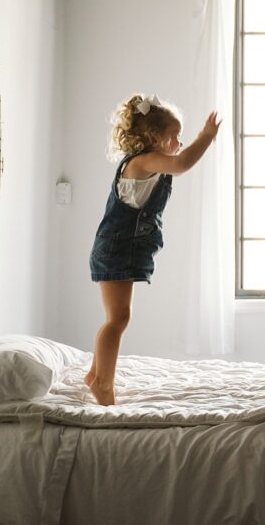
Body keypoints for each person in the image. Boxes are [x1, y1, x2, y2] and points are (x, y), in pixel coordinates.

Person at [86, 93, 220, 405]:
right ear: (153, 137)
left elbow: (177, 163)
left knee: (118, 317)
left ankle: (96, 374)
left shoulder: (147, 164)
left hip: (120, 249)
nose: (180, 143)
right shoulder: (144, 162)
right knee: (117, 320)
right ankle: (103, 383)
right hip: (117, 249)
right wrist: (206, 137)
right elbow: (183, 164)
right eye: (175, 136)